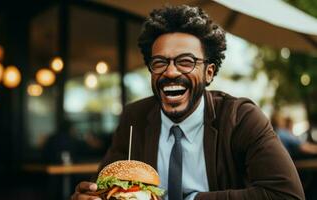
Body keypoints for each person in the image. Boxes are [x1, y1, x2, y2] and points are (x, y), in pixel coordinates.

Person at [72, 5, 304, 200]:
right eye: (160, 62)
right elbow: (105, 186)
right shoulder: (135, 117)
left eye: (186, 61)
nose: (171, 72)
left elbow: (286, 194)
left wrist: (193, 199)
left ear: (209, 73)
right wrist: (90, 195)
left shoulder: (240, 117)